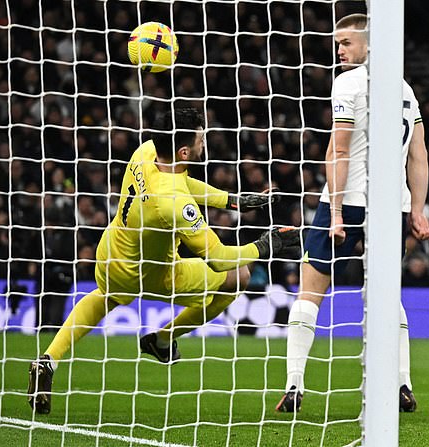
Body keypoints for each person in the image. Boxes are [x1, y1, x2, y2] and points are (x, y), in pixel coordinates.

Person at [27, 108, 301, 414]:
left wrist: (231, 200)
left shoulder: (148, 150)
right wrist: (265, 245)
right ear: (184, 150)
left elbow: (182, 183)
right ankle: (163, 338)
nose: (204, 143)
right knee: (240, 277)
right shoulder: (173, 204)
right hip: (150, 272)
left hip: (111, 252)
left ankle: (48, 360)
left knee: (104, 298)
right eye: (200, 139)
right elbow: (219, 259)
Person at [276, 14, 429, 414]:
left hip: (346, 201)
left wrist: (335, 213)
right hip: (391, 206)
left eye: (346, 43)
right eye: (337, 44)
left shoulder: (349, 82)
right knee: (386, 296)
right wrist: (416, 209)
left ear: (369, 45)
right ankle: (402, 384)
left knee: (311, 289)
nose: (340, 51)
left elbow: (339, 150)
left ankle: (294, 384)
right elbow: (419, 156)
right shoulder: (404, 90)